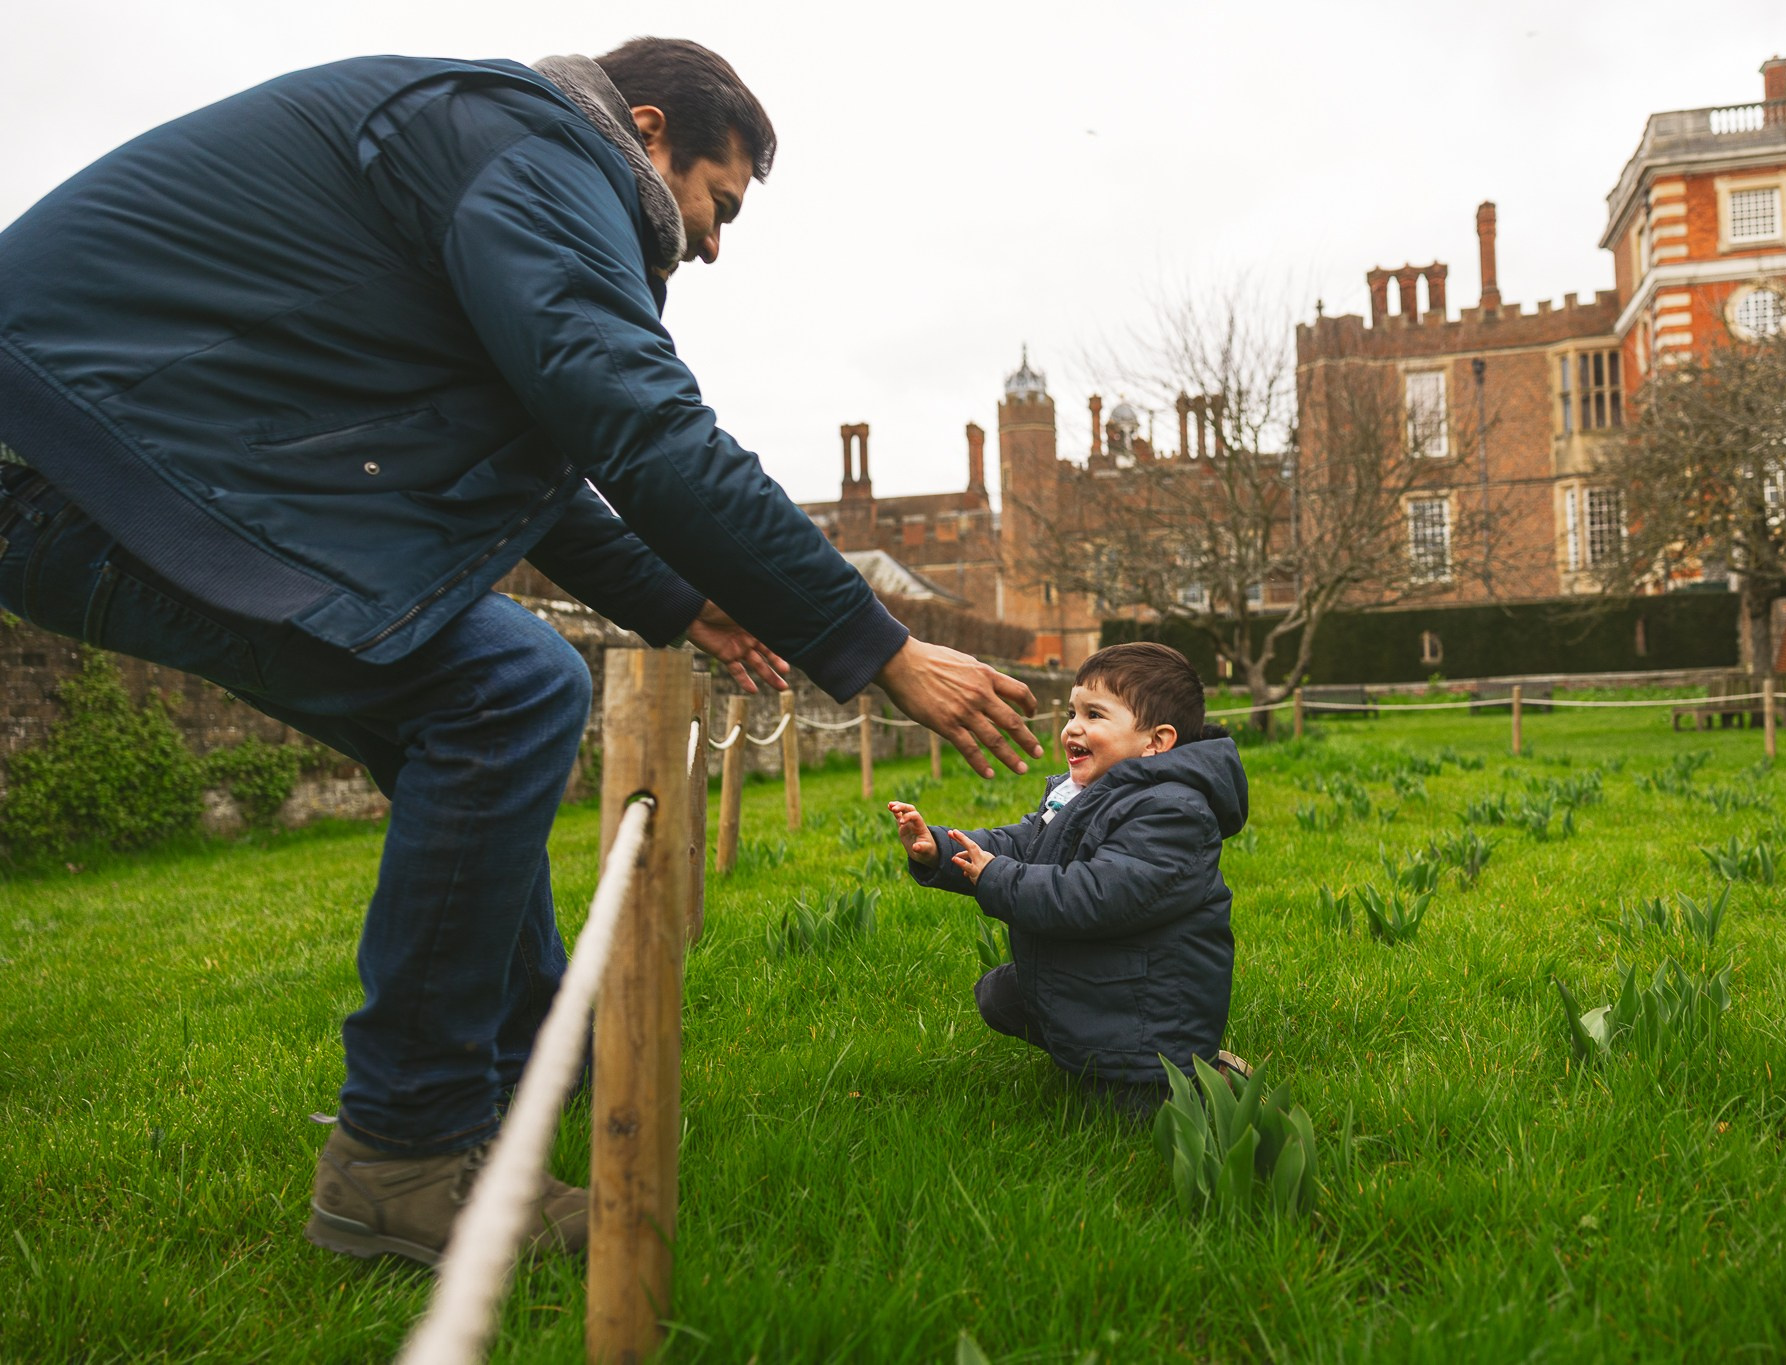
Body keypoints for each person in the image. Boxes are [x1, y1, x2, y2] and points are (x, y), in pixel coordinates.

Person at [0, 38, 1042, 1264]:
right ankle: (400, 1153)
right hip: (71, 451)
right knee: (508, 687)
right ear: (646, 130)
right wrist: (879, 648)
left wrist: (674, 599)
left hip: (103, 446)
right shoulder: (530, 147)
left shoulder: (491, 158)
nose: (711, 245)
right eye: (718, 205)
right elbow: (632, 417)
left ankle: (522, 1094)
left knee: (465, 713)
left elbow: (540, 453)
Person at [889, 642, 1248, 1119]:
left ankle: (1197, 1076)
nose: (1073, 727)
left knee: (1130, 1118)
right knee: (1002, 996)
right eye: (1072, 711)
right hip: (1108, 980)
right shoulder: (1085, 792)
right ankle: (1087, 1052)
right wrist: (944, 848)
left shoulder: (1172, 811)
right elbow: (1026, 843)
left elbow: (1097, 895)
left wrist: (995, 879)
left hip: (1147, 1008)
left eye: (1095, 714)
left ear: (1156, 742)